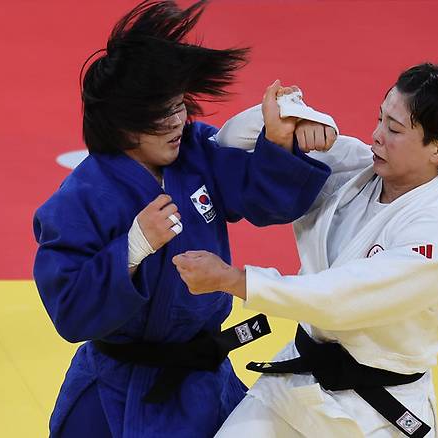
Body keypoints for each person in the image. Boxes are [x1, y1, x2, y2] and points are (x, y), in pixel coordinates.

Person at [32, 1, 335, 437]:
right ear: (123, 125)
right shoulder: (80, 197)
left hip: (201, 383)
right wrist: (132, 248)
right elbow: (70, 312)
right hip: (116, 392)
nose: (177, 123)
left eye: (179, 107)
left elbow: (267, 200)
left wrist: (281, 142)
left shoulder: (197, 149)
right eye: (161, 116)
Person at [173, 62, 438, 437]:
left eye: (394, 129)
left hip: (376, 413)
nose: (376, 135)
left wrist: (235, 280)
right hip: (294, 389)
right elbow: (230, 141)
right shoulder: (353, 166)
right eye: (380, 119)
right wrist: (295, 116)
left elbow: (339, 299)